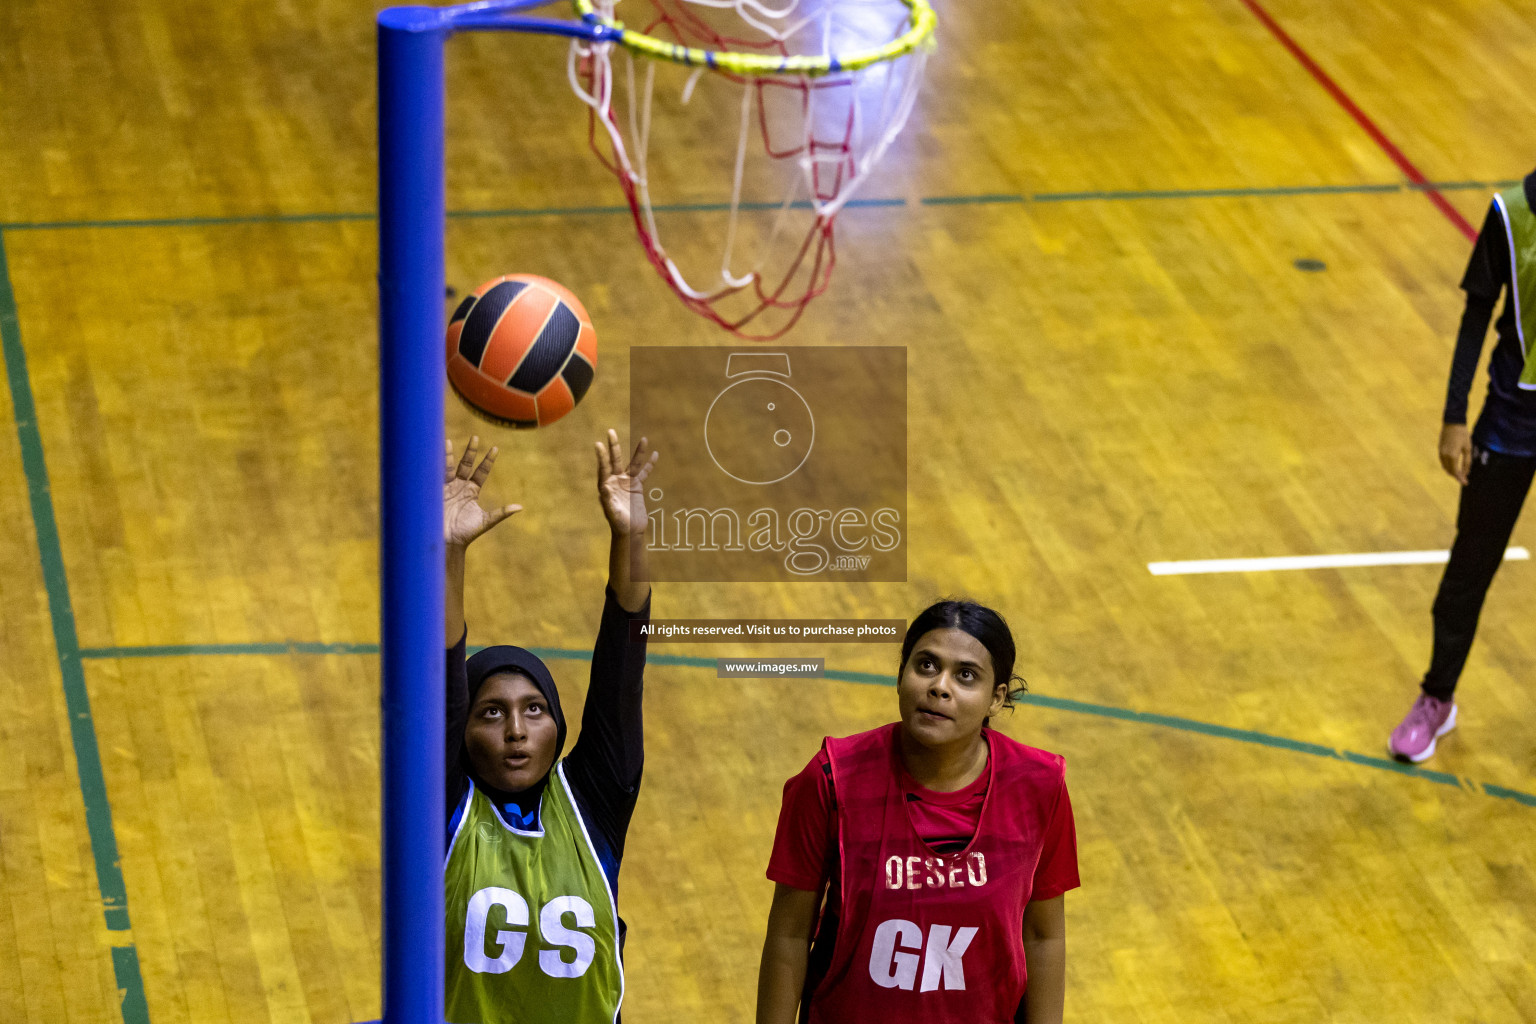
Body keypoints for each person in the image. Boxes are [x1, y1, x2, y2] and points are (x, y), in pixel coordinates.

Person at [756, 601, 1079, 1024]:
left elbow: (1042, 935)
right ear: (900, 675)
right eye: (926, 665)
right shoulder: (831, 779)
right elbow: (790, 934)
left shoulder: (1038, 786)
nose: (939, 686)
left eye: (965, 675)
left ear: (996, 698)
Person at [442, 431, 657, 1024]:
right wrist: (448, 553)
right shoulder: (443, 811)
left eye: (534, 709)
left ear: (558, 726)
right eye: (492, 712)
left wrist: (631, 538)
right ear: (463, 731)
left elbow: (621, 671)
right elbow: (440, 681)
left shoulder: (594, 802)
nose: (516, 729)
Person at [1389, 167, 1536, 763]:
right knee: (1468, 569)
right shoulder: (1511, 214)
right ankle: (1436, 699)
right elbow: (1478, 314)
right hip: (1510, 421)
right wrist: (1454, 416)